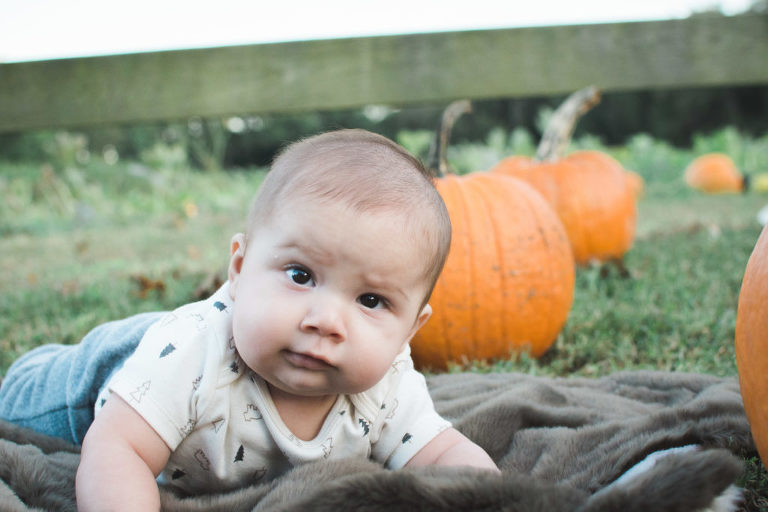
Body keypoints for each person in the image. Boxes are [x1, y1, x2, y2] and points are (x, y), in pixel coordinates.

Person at [0, 129, 499, 510]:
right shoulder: (191, 357)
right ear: (239, 268)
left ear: (410, 330)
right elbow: (118, 448)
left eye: (371, 300)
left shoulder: (387, 384)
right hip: (80, 386)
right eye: (301, 275)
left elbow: (441, 453)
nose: (326, 320)